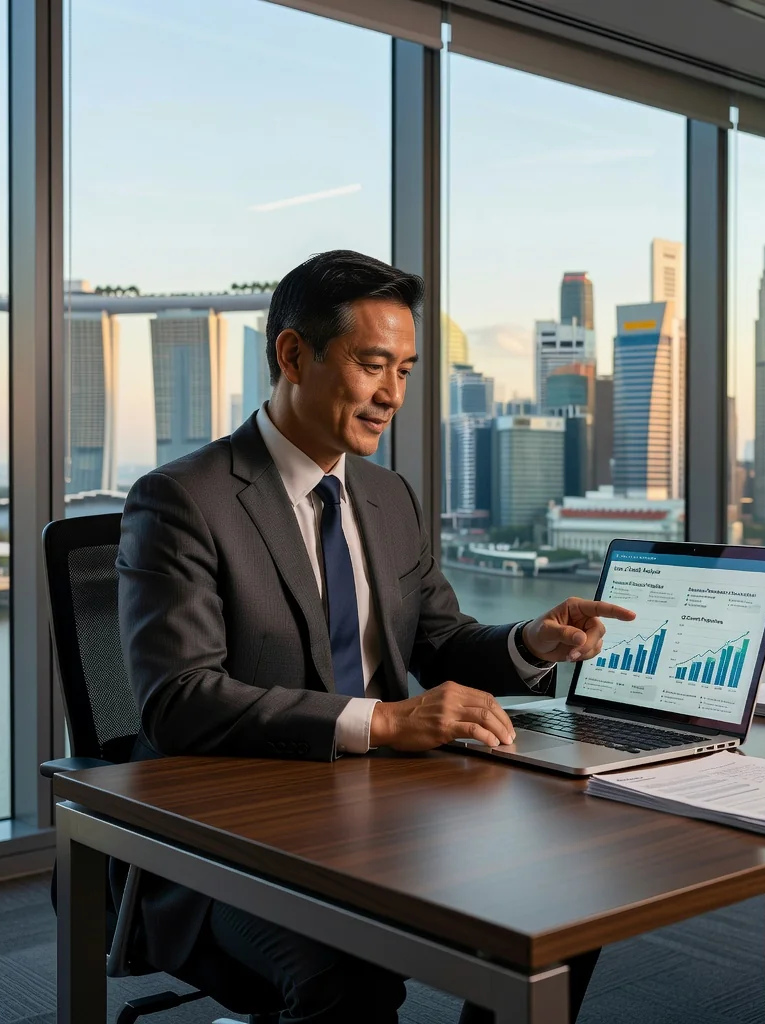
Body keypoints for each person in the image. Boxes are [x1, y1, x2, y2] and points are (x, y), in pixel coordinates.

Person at [117, 249, 635, 1023]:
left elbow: (441, 639)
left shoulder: (388, 498)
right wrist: (386, 721)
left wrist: (529, 643)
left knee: (567, 905)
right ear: (294, 355)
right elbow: (179, 700)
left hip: (384, 813)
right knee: (347, 976)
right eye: (372, 366)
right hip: (226, 839)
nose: (392, 395)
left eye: (407, 370)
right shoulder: (181, 501)